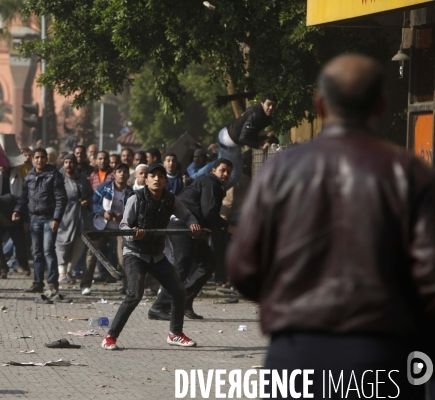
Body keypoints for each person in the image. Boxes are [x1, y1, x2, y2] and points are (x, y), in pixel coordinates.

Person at [228, 54, 435, 399]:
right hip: (383, 357)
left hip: (295, 355)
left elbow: (243, 268)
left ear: (320, 104)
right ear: (381, 106)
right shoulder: (410, 173)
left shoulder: (283, 170)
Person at [101, 164, 201, 350]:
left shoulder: (171, 200)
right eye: (152, 176)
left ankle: (175, 334)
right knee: (134, 295)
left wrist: (193, 225)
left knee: (179, 292)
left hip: (156, 255)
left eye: (160, 176)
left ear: (165, 180)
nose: (156, 179)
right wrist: (133, 232)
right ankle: (110, 337)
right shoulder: (135, 199)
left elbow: (187, 216)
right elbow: (123, 226)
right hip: (134, 253)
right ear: (145, 180)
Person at [150, 158, 235, 320]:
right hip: (183, 225)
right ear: (213, 170)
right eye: (222, 170)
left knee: (208, 262)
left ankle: (185, 301)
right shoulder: (211, 181)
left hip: (193, 229)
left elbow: (206, 213)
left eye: (229, 172)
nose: (225, 174)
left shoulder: (214, 185)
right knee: (182, 266)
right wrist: (228, 227)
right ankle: (159, 306)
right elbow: (209, 211)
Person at [189, 94, 277, 189]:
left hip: (224, 135)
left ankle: (191, 179)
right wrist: (259, 145)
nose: (271, 108)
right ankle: (218, 191)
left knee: (217, 163)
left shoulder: (256, 110)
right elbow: (243, 138)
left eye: (273, 105)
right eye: (268, 104)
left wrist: (263, 137)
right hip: (230, 145)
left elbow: (249, 132)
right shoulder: (256, 115)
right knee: (235, 176)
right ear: (262, 103)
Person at [13, 148, 67, 294]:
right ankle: (37, 283)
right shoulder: (29, 176)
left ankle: (52, 283)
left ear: (46, 159)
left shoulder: (54, 175)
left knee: (48, 251)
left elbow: (61, 199)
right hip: (34, 219)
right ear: (32, 159)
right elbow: (24, 197)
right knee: (36, 252)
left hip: (49, 219)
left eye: (42, 157)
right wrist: (17, 210)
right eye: (37, 157)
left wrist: (56, 218)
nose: (39, 160)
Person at [83, 163, 133, 294]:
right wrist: (103, 212)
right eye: (119, 171)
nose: (122, 174)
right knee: (91, 254)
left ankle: (126, 286)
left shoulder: (131, 193)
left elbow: (134, 211)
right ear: (114, 174)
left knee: (124, 256)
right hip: (101, 226)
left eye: (125, 172)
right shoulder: (104, 187)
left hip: (120, 229)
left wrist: (123, 217)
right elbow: (93, 203)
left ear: (128, 175)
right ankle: (85, 285)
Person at [56, 154, 93, 285]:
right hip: (64, 218)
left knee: (78, 246)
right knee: (62, 245)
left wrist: (87, 201)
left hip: (80, 217)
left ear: (76, 164)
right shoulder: (59, 178)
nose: (68, 165)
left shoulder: (82, 179)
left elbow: (90, 194)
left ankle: (68, 272)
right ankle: (61, 274)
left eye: (71, 162)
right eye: (66, 162)